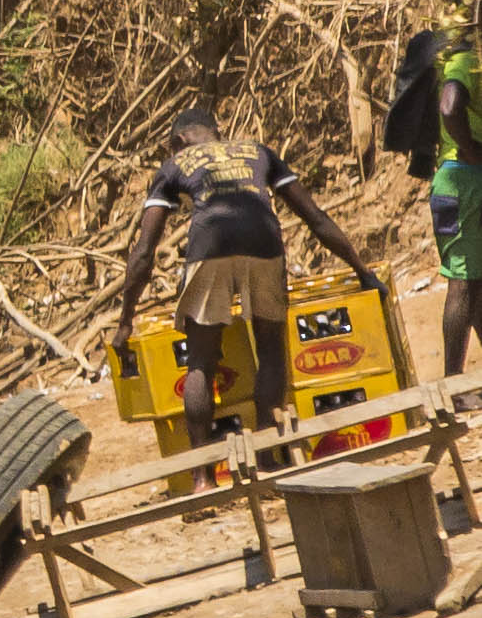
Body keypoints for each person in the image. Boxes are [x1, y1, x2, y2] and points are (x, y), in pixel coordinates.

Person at [111, 105, 376, 453]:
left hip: (209, 245)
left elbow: (144, 251)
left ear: (178, 141)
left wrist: (125, 321)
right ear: (217, 133)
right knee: (270, 349)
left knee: (201, 360)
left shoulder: (175, 165)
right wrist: (362, 271)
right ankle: (267, 455)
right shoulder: (258, 152)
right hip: (264, 242)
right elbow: (316, 218)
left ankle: (202, 472)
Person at [437, 8, 482, 374]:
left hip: (465, 179)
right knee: (463, 281)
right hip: (462, 179)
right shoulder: (466, 61)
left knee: (475, 280)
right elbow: (450, 106)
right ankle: (452, 382)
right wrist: (471, 149)